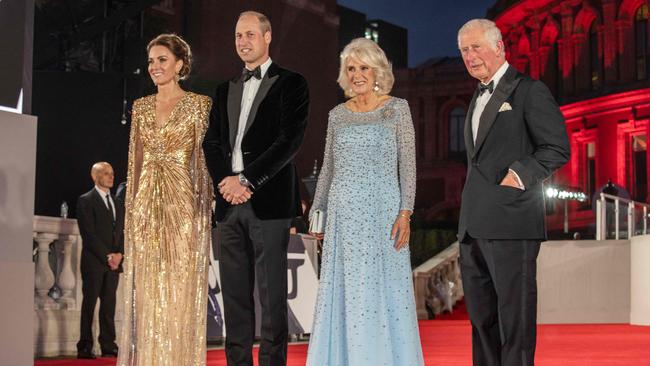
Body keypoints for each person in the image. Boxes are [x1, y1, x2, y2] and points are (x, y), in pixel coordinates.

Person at [456, 19, 570, 365]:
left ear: (500, 46)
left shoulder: (528, 90)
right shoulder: (476, 95)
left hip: (512, 222)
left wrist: (518, 175)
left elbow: (556, 147)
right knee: (482, 322)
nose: (470, 56)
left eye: (476, 47)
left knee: (515, 323)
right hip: (473, 227)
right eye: (464, 50)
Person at [305, 37, 424, 366]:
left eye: (363, 67)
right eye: (351, 68)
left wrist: (406, 213)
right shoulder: (336, 115)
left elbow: (408, 166)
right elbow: (328, 169)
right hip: (344, 217)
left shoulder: (397, 108)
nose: (357, 74)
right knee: (345, 290)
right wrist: (319, 213)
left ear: (377, 71)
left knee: (383, 288)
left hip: (384, 214)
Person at [202, 10, 309, 366]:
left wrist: (246, 180)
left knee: (272, 295)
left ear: (267, 36)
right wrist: (226, 184)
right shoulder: (224, 89)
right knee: (234, 296)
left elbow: (288, 142)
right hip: (229, 205)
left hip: (270, 203)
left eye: (249, 34)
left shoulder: (292, 83)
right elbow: (211, 144)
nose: (242, 42)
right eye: (237, 36)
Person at [117, 33, 213, 366]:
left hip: (183, 204)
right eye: (151, 61)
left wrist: (204, 208)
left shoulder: (200, 104)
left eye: (162, 60)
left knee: (178, 292)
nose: (154, 67)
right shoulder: (141, 107)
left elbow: (203, 161)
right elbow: (137, 161)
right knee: (147, 293)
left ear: (180, 64)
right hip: (145, 206)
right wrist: (131, 213)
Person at [76, 162, 124, 359]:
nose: (111, 177)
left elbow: (121, 231)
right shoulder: (86, 200)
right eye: (106, 173)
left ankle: (108, 343)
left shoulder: (117, 202)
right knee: (89, 304)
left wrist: (120, 254)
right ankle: (85, 346)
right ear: (95, 176)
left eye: (112, 173)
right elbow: (88, 233)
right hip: (94, 262)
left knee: (109, 305)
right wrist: (108, 256)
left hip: (114, 263)